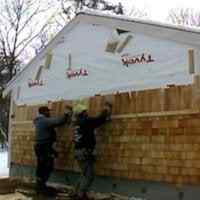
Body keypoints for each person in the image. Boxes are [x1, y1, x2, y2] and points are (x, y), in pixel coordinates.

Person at [72, 101, 112, 200]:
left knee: (84, 174)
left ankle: (76, 192)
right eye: (85, 111)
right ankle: (80, 195)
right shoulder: (85, 121)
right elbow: (98, 119)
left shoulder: (78, 123)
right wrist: (106, 109)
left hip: (79, 151)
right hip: (84, 152)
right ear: (83, 113)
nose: (87, 112)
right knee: (89, 176)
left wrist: (104, 120)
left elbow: (94, 124)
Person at [33, 105, 73, 192]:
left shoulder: (39, 121)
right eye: (47, 111)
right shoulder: (43, 120)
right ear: (43, 112)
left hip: (41, 146)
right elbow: (59, 121)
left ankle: (40, 184)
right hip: (44, 147)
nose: (49, 113)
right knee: (47, 165)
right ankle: (41, 185)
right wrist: (66, 114)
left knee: (42, 165)